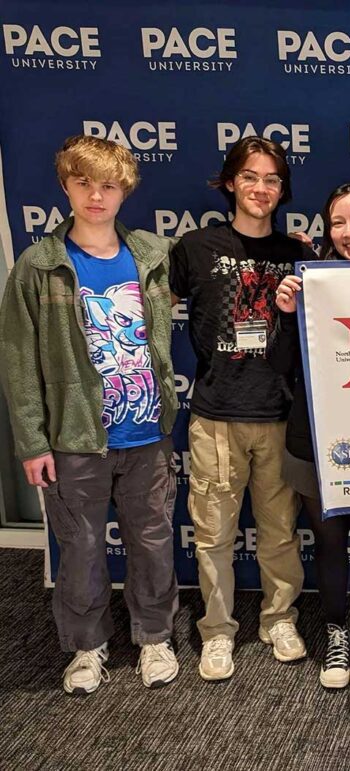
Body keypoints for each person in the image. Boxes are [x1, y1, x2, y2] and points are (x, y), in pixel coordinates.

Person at [0, 135, 179, 694]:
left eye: (107, 185)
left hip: (148, 433)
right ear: (65, 186)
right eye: (84, 184)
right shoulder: (40, 265)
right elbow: (19, 361)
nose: (95, 196)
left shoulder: (151, 253)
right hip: (76, 437)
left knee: (152, 541)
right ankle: (87, 646)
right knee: (79, 547)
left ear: (124, 191)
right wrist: (31, 443)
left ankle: (155, 638)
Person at [169, 137, 314, 681]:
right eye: (251, 177)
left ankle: (279, 618)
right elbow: (155, 306)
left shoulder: (296, 254)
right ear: (230, 182)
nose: (261, 188)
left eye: (273, 179)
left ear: (283, 190)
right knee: (213, 535)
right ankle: (217, 631)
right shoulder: (194, 247)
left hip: (278, 415)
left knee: (279, 531)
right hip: (216, 416)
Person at [270, 183, 350, 688]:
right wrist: (285, 315)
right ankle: (335, 632)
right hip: (314, 434)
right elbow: (282, 368)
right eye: (339, 222)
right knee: (327, 541)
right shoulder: (309, 281)